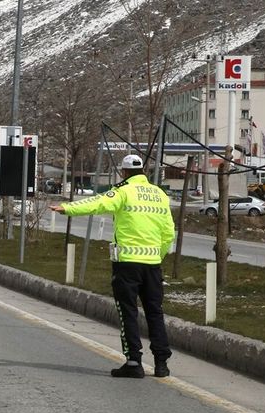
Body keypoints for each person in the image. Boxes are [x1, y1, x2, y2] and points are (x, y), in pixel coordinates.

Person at [50, 154, 175, 379]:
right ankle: (161, 363)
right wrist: (158, 255)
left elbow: (97, 203)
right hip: (153, 265)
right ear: (143, 171)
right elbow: (168, 232)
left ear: (124, 172)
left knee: (128, 311)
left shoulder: (123, 191)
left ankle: (134, 361)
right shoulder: (160, 195)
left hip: (127, 264)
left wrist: (67, 208)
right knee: (155, 312)